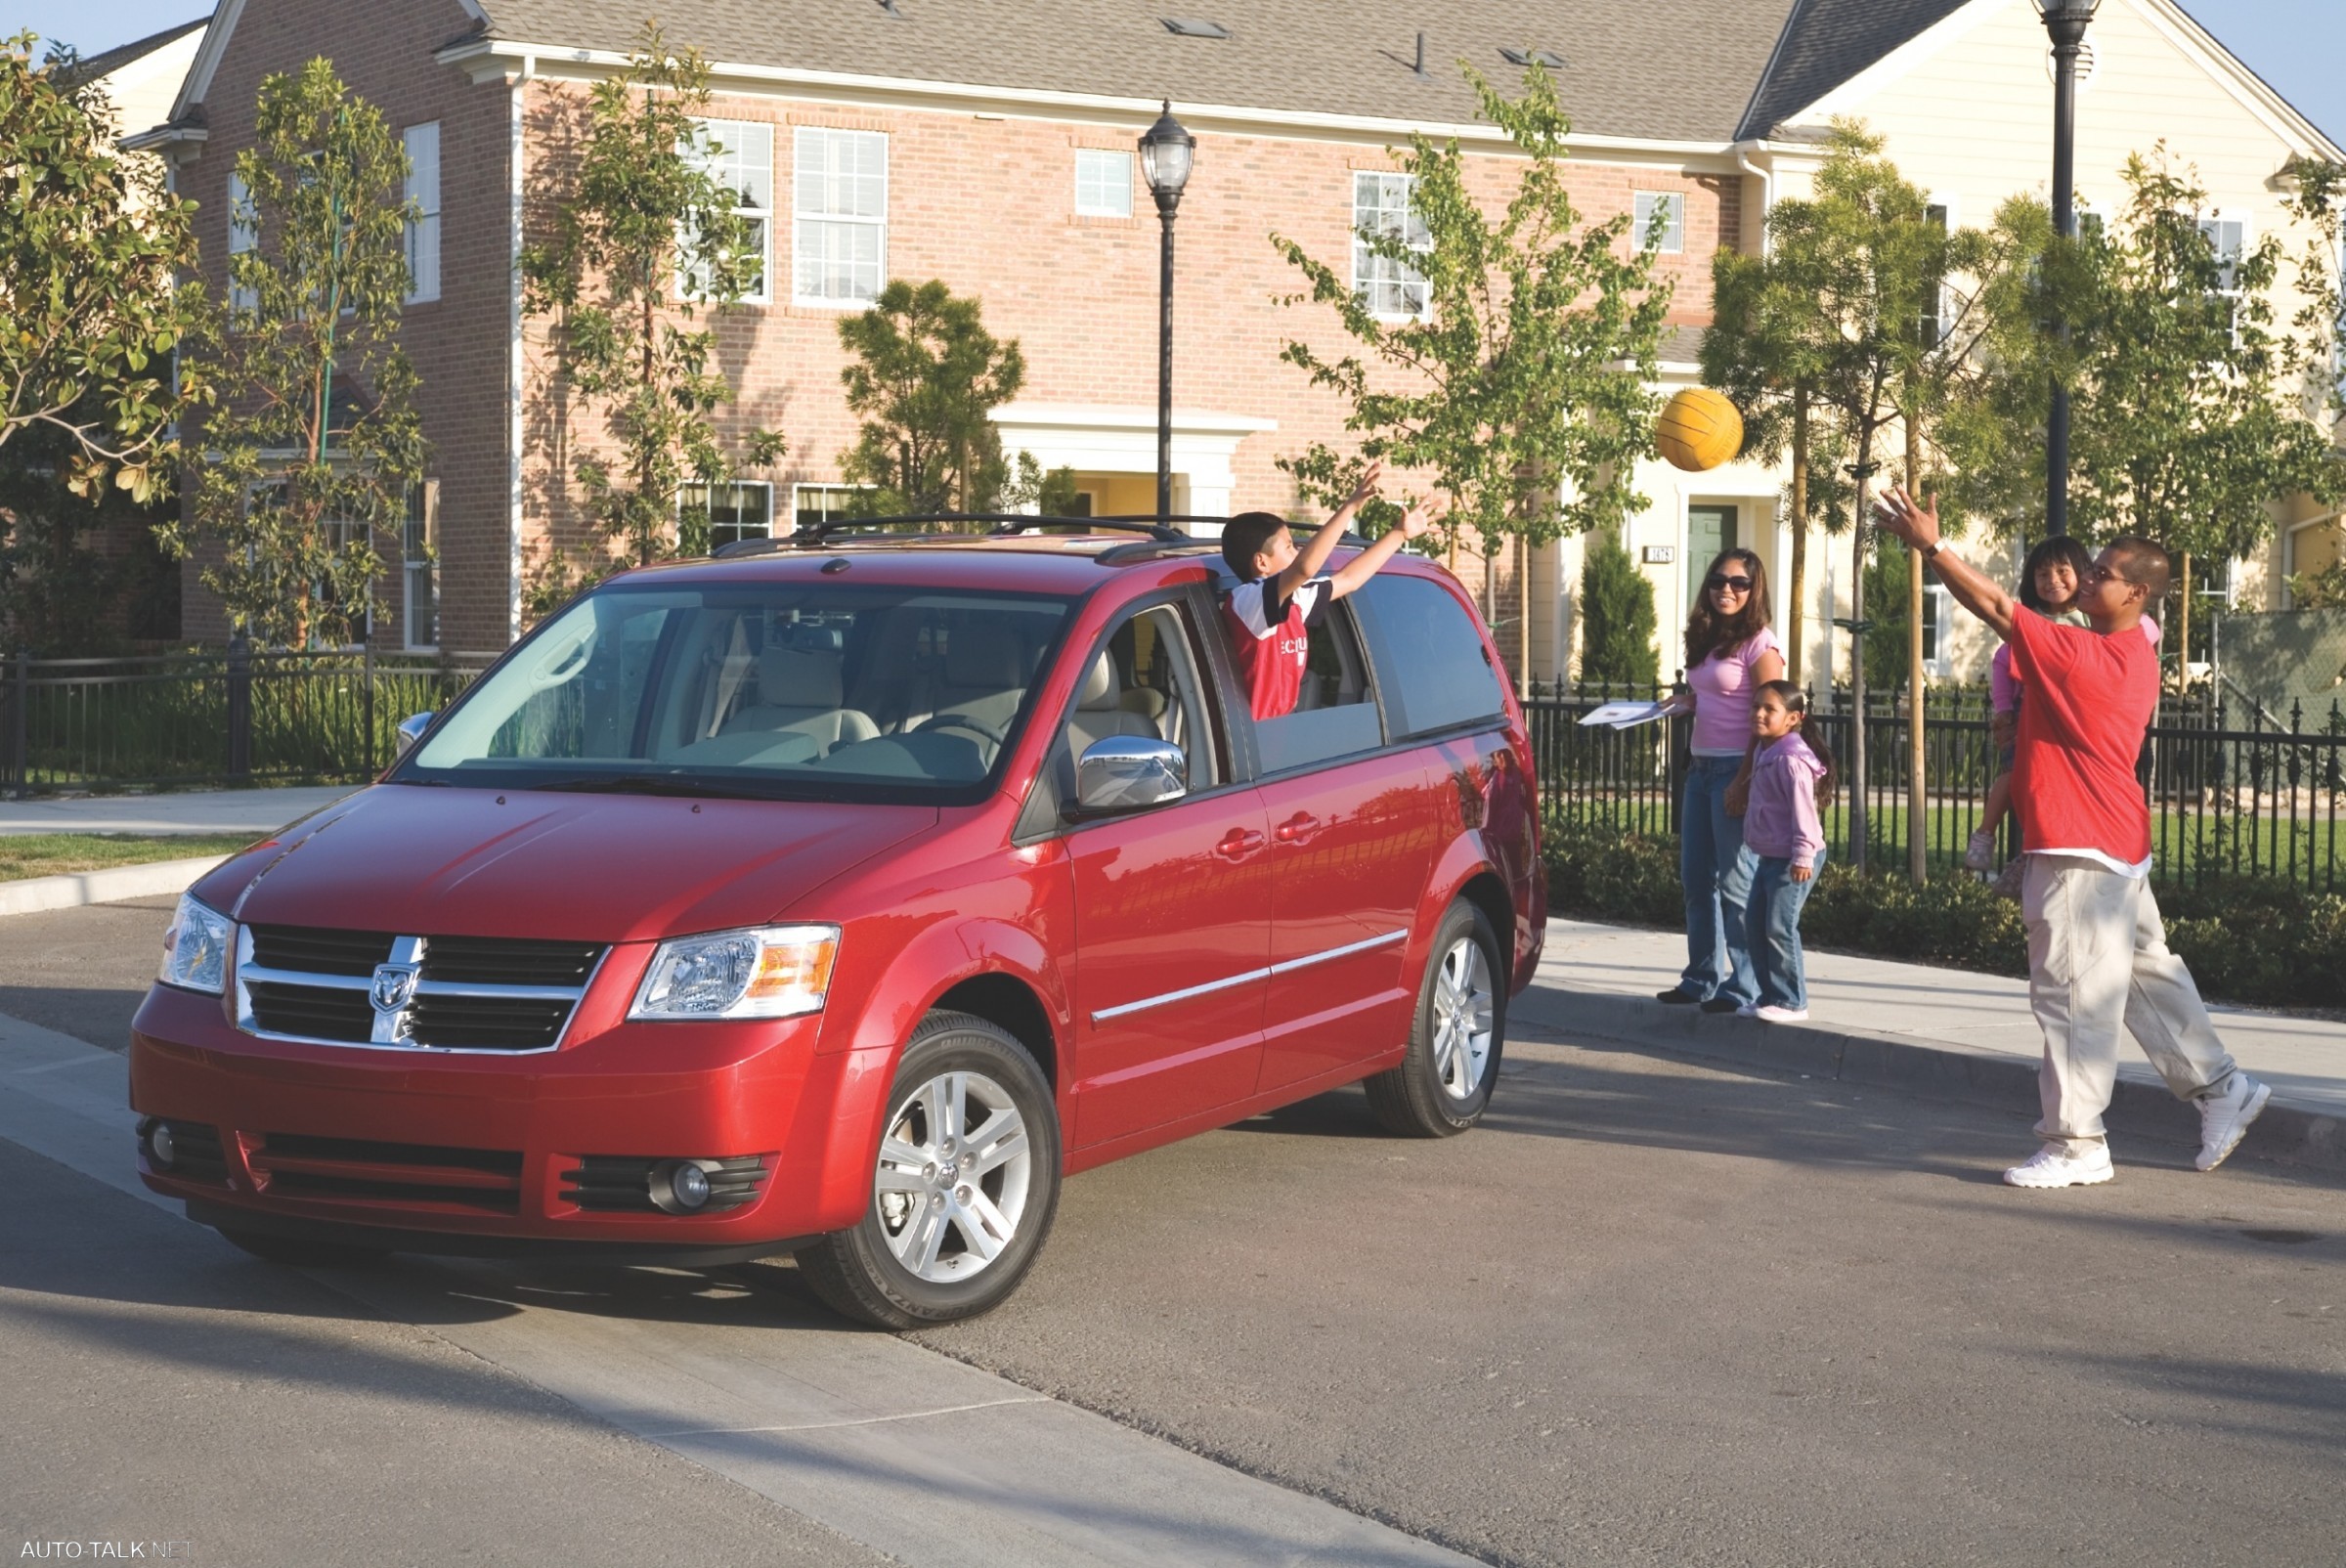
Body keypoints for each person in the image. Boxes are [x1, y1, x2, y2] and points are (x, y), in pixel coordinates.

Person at [1874, 487, 2270, 1188]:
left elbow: (1999, 608)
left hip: (2081, 849)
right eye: (2090, 567)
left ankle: (2077, 1142)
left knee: (2072, 995)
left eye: (2103, 573)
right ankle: (2221, 1089)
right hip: (2111, 844)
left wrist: (1932, 546)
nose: (2087, 578)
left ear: (2137, 593)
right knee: (2147, 978)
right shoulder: (2122, 652)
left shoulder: (2092, 658)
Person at [1653, 549, 1784, 1014]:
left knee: (1735, 883)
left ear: (1754, 590)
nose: (1726, 589)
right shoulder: (1709, 636)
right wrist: (1688, 701)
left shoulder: (1760, 644)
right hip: (1701, 768)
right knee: (1695, 879)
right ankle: (1700, 977)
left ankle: (1743, 984)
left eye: (1738, 583)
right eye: (1718, 579)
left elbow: (1771, 718)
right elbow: (1716, 693)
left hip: (1735, 769)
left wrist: (1745, 780)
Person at [1219, 463, 1440, 721]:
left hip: (1278, 731)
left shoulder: (1294, 599)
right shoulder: (1248, 600)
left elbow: (1349, 579)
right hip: (1253, 740)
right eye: (1289, 546)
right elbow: (1306, 568)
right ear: (1262, 562)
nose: (1297, 551)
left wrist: (1399, 534)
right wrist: (1349, 508)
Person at [1965, 537, 2096, 873]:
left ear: (2082, 573)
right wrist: (2004, 710)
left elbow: (2144, 628)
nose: (2052, 580)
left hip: (2075, 722)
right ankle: (1985, 833)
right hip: (2030, 717)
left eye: (2062, 571)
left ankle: (2033, 856)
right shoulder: (2029, 620)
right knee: (2016, 777)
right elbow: (2002, 660)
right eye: (2042, 574)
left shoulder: (2093, 621)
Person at [1739, 680, 1834, 1023]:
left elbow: (1804, 815)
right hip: (1771, 855)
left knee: (1779, 926)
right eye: (1755, 707)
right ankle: (1769, 996)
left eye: (1769, 709)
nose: (1759, 714)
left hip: (1794, 858)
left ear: (1794, 718)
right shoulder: (1768, 750)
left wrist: (1803, 856)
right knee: (1755, 924)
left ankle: (1793, 1002)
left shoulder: (1791, 760)